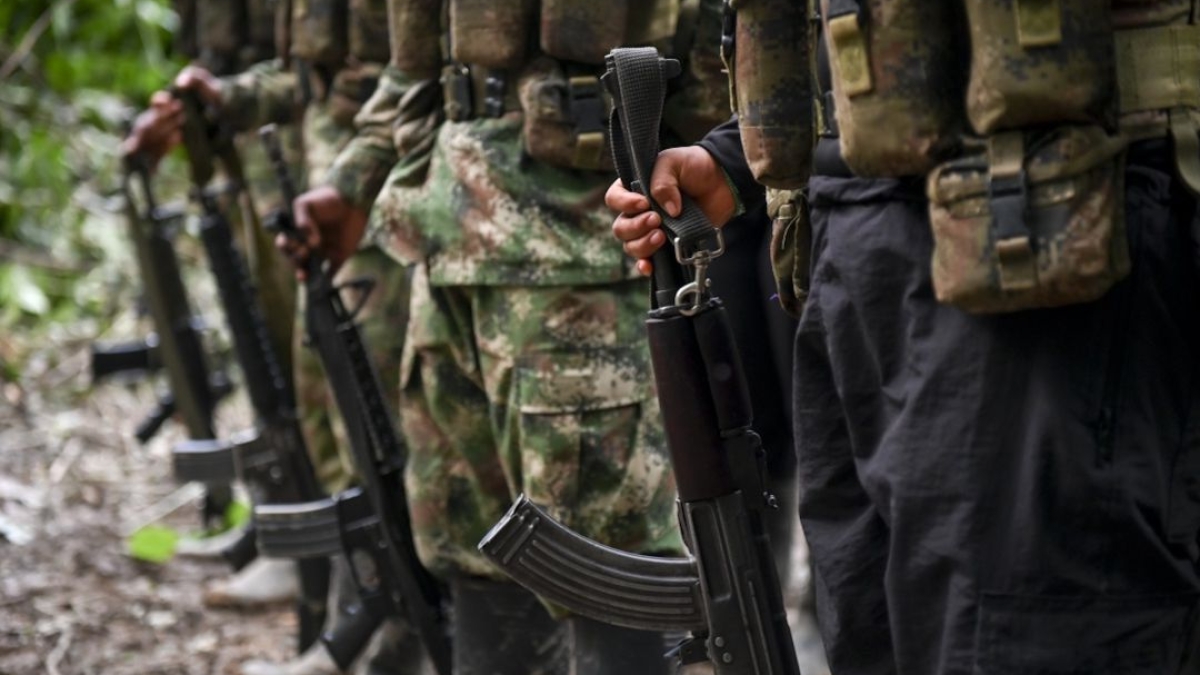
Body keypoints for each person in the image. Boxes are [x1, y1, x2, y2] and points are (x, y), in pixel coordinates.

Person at [610, 1, 1200, 673]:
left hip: (1047, 221)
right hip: (853, 227)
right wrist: (740, 155)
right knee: (874, 634)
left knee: (1031, 635)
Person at [278, 0, 744, 671]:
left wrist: (697, 164)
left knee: (606, 567)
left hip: (574, 260)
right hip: (445, 239)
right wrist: (353, 181)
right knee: (471, 545)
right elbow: (420, 63)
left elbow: (724, 68)